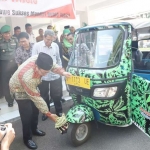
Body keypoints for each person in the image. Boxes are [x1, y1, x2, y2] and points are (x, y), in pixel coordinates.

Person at [9, 52, 71, 149]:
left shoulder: (40, 59)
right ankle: (27, 138)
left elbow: (53, 66)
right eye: (44, 72)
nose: (46, 74)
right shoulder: (28, 77)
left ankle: (34, 129)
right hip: (18, 88)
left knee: (35, 111)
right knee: (26, 115)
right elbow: (36, 98)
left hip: (31, 85)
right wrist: (49, 114)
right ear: (36, 66)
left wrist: (63, 72)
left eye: (48, 71)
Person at [32, 30, 64, 121]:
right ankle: (46, 113)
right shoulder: (37, 46)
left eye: (51, 40)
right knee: (44, 95)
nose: (49, 42)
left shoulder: (55, 45)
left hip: (55, 75)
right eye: (48, 39)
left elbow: (58, 59)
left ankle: (59, 111)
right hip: (43, 76)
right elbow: (33, 61)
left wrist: (60, 70)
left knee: (56, 95)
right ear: (43, 37)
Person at [0, 25, 18, 107]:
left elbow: (18, 51)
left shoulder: (15, 40)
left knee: (16, 81)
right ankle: (9, 100)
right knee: (6, 83)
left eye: (8, 33)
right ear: (2, 34)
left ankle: (18, 97)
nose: (7, 35)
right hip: (4, 64)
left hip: (14, 63)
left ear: (10, 33)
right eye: (5, 34)